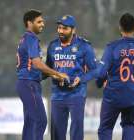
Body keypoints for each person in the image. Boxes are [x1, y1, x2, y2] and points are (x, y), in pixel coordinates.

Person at [96, 13, 134, 140]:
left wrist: (99, 84)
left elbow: (100, 74)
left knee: (105, 127)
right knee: (129, 124)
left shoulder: (112, 47)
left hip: (113, 95)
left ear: (120, 28)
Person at [16, 9, 68, 140]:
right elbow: (37, 64)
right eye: (39, 22)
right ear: (29, 23)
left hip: (26, 83)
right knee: (40, 120)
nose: (42, 24)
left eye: (43, 22)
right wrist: (57, 73)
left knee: (30, 123)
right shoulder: (31, 38)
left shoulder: (25, 39)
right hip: (29, 85)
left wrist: (51, 75)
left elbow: (32, 67)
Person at [45, 15, 97, 140]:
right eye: (59, 28)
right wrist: (55, 75)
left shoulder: (84, 46)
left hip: (77, 95)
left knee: (76, 132)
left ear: (73, 30)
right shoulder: (52, 46)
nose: (61, 31)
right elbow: (47, 69)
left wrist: (82, 79)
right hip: (57, 95)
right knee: (57, 134)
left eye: (65, 28)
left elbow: (94, 70)